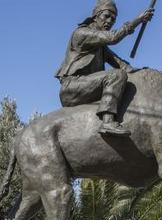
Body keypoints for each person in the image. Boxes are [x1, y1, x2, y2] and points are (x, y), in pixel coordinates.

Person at [55, 0, 154, 136]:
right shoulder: (82, 33)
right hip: (73, 86)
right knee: (116, 75)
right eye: (106, 16)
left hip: (87, 86)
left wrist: (140, 73)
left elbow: (119, 63)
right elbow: (113, 38)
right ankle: (107, 122)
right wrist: (138, 20)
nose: (110, 21)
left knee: (123, 75)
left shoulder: (100, 46)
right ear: (96, 15)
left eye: (113, 19)